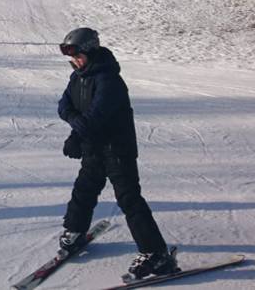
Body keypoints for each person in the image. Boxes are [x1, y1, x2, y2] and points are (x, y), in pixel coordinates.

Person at [55, 28, 178, 281]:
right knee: (84, 189)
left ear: (90, 51)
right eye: (71, 57)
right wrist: (77, 132)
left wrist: (76, 131)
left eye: (78, 55)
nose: (75, 61)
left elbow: (95, 117)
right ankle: (76, 231)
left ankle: (156, 253)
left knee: (128, 198)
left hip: (117, 150)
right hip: (93, 147)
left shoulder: (109, 80)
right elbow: (64, 106)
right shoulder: (77, 77)